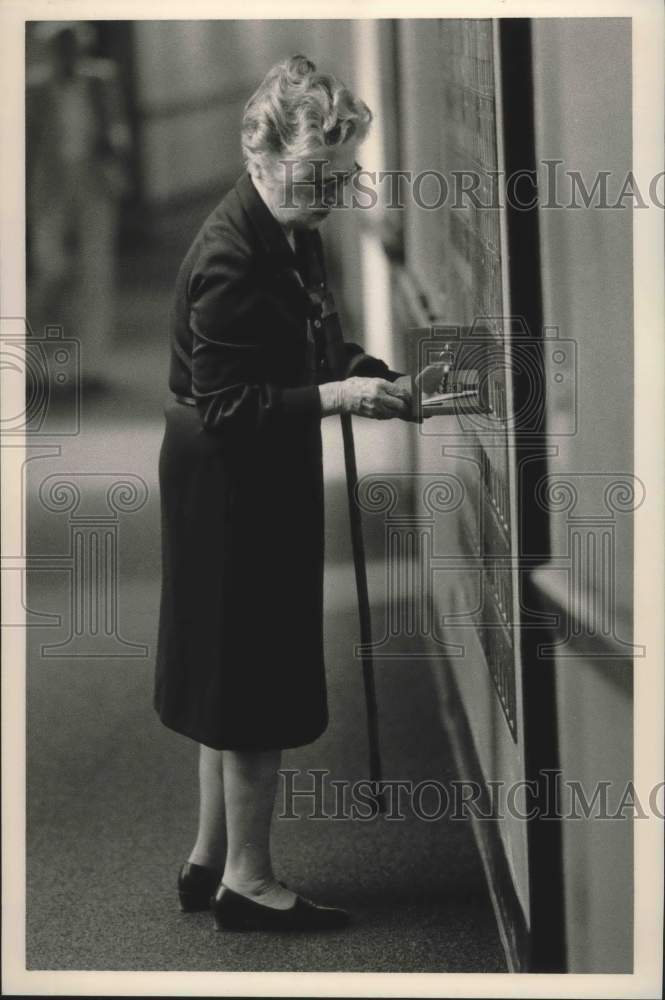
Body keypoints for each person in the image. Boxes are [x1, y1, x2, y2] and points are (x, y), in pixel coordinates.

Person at [154, 54, 417, 933]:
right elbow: (229, 406)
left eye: (341, 178)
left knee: (227, 675)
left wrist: (368, 376)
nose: (330, 195)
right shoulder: (231, 257)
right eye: (317, 177)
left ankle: (205, 860)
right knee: (252, 680)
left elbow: (310, 341)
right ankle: (250, 881)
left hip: (250, 472)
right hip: (230, 480)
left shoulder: (287, 227)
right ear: (258, 156)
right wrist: (336, 397)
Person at [26, 22, 131, 393]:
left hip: (93, 183)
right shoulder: (32, 88)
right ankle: (30, 363)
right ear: (51, 51)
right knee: (51, 270)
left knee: (96, 271)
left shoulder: (101, 79)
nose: (68, 55)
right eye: (61, 48)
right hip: (50, 189)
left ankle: (92, 367)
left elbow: (118, 127)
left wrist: (114, 146)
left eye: (74, 46)